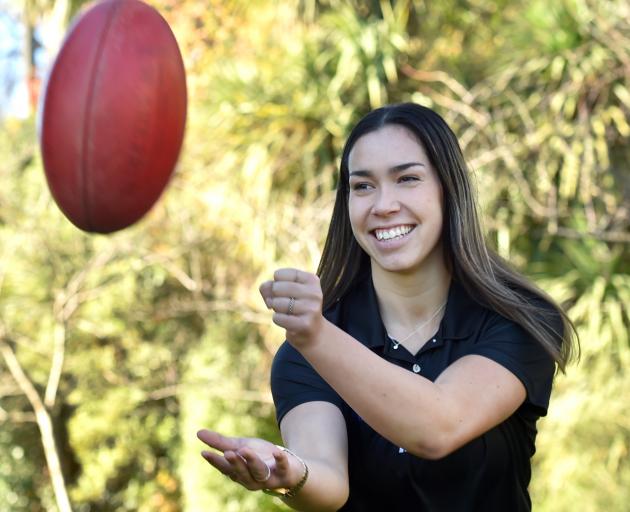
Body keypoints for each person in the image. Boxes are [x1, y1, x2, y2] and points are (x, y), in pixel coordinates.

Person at [197, 103, 577, 511]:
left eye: (407, 179)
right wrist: (289, 473)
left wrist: (317, 336)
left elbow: (438, 427)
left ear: (448, 189)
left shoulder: (517, 321)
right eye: (363, 186)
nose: (383, 205)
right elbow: (327, 481)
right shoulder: (307, 352)